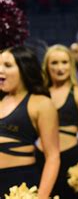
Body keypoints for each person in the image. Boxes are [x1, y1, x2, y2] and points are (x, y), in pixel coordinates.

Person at [0, 46, 60, 198]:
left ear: (24, 68)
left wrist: (42, 196)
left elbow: (52, 156)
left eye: (7, 65)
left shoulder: (41, 103)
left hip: (19, 183)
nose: (0, 70)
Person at [36, 45, 78, 198]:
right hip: (40, 158)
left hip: (71, 160)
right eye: (54, 63)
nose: (60, 67)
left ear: (71, 64)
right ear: (47, 66)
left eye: (64, 62)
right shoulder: (38, 94)